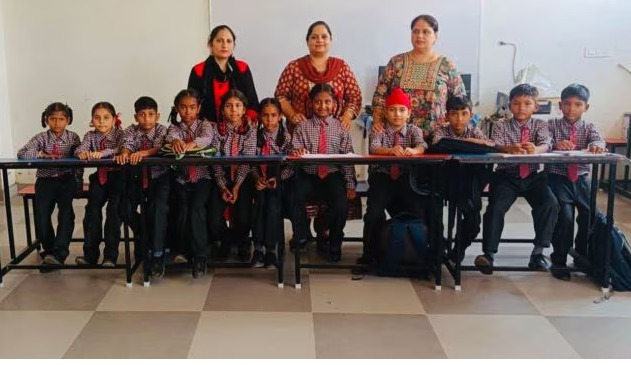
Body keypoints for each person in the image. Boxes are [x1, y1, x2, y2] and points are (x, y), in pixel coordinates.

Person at [475, 84, 559, 275]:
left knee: (549, 204)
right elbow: (495, 144)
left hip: (533, 176)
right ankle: (488, 254)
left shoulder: (540, 125)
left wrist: (536, 149)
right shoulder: (501, 125)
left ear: (535, 106)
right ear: (509, 106)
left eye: (527, 103)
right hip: (507, 176)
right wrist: (509, 148)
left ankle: (538, 253)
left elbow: (547, 143)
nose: (521, 107)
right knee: (495, 208)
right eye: (516, 103)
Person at [546, 83, 605, 281]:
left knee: (591, 215)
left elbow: (598, 141)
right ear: (560, 105)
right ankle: (559, 260)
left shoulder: (589, 127)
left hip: (580, 179)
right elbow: (544, 143)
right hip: (558, 177)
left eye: (578, 104)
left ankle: (581, 254)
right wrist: (555, 144)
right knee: (566, 217)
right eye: (567, 104)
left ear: (586, 107)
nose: (572, 109)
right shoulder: (552, 125)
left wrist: (596, 146)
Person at [291, 83, 357, 262]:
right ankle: (303, 235)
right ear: (311, 103)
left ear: (334, 104)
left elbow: (347, 158)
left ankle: (334, 243)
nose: (322, 106)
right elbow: (295, 151)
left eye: (327, 102)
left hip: (331, 174)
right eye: (318, 102)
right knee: (293, 196)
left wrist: (350, 184)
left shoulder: (341, 128)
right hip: (308, 175)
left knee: (340, 205)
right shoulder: (302, 127)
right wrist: (297, 152)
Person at [361, 88, 427, 266]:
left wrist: (413, 151)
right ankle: (369, 255)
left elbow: (422, 145)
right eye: (392, 109)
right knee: (373, 213)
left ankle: (417, 254)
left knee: (419, 211)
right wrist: (390, 151)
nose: (397, 114)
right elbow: (375, 147)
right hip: (382, 176)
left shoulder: (414, 130)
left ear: (409, 113)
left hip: (406, 178)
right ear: (386, 112)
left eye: (401, 110)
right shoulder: (379, 129)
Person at [372, 14, 466, 137]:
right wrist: (377, 121)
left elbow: (460, 101)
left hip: (438, 137)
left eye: (426, 32)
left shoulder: (447, 65)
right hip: (397, 138)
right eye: (415, 31)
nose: (420, 36)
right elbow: (380, 95)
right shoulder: (396, 62)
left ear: (435, 36)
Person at [17, 102, 82, 267]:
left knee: (66, 215)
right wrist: (41, 154)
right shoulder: (41, 138)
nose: (57, 123)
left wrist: (78, 182)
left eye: (61, 119)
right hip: (45, 181)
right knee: (42, 216)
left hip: (66, 180)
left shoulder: (73, 137)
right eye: (53, 119)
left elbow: (79, 160)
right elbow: (22, 154)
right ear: (46, 120)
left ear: (68, 120)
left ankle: (59, 254)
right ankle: (50, 250)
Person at [432, 95, 493, 263]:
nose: (459, 119)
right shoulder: (441, 130)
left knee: (474, 220)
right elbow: (439, 145)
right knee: (430, 214)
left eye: (464, 114)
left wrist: (466, 143)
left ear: (471, 115)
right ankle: (438, 249)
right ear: (446, 115)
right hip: (444, 182)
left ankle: (458, 249)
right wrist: (471, 144)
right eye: (454, 114)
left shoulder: (474, 130)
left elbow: (488, 146)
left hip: (468, 184)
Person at [114, 96, 170, 278]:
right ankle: (145, 237)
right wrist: (125, 153)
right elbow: (127, 145)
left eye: (151, 115)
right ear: (136, 117)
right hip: (137, 179)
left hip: (159, 178)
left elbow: (161, 147)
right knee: (124, 208)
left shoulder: (163, 130)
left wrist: (143, 153)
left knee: (158, 209)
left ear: (158, 115)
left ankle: (158, 255)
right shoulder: (131, 130)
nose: (146, 119)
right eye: (142, 115)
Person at [275, 20, 362, 131]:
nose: (320, 40)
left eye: (324, 37)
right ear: (307, 41)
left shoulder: (341, 67)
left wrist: (346, 116)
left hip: (334, 132)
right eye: (314, 37)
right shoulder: (294, 67)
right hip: (300, 132)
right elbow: (280, 96)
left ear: (330, 40)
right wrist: (292, 115)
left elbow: (355, 97)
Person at [165, 89, 215, 278]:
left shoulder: (205, 125)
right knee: (182, 208)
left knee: (197, 208)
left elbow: (206, 139)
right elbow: (170, 138)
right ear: (177, 108)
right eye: (183, 107)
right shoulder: (174, 128)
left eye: (192, 107)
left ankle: (200, 256)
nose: (188, 112)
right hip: (181, 178)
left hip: (203, 178)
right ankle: (183, 251)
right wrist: (176, 142)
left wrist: (191, 144)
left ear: (199, 108)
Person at [209, 89, 257, 263]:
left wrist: (236, 186)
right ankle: (226, 240)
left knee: (244, 217)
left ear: (244, 109)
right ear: (222, 110)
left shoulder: (251, 131)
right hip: (220, 174)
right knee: (214, 219)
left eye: (238, 106)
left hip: (243, 176)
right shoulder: (215, 130)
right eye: (229, 106)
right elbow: (215, 161)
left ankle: (243, 241)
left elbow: (247, 161)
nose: (234, 110)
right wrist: (223, 186)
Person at [75, 102, 124, 266]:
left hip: (119, 178)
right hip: (100, 178)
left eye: (106, 118)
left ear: (114, 119)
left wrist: (101, 153)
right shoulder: (90, 136)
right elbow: (80, 148)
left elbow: (120, 149)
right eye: (97, 118)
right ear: (91, 120)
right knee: (92, 211)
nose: (101, 122)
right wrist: (82, 153)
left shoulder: (120, 134)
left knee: (113, 213)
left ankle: (110, 256)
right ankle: (90, 255)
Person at [251, 98, 294, 268]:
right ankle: (258, 249)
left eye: (273, 115)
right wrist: (256, 179)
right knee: (258, 204)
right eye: (265, 116)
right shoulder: (253, 137)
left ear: (280, 116)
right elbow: (250, 163)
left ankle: (271, 249)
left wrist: (279, 178)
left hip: (278, 181)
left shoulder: (286, 138)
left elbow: (291, 166)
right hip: (259, 180)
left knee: (273, 205)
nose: (269, 120)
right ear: (260, 117)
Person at [188, 25, 259, 124]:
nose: (224, 45)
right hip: (207, 130)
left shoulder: (242, 68)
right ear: (210, 44)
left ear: (234, 45)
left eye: (229, 41)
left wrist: (245, 122)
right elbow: (191, 105)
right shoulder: (198, 70)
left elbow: (253, 102)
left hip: (239, 128)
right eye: (219, 41)